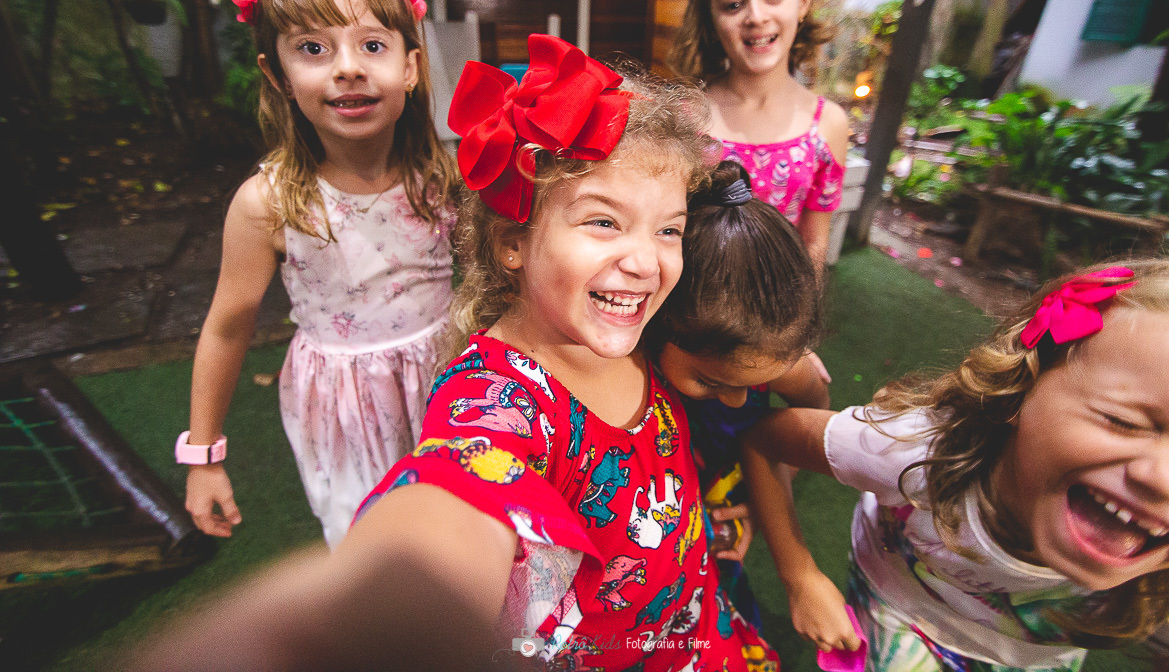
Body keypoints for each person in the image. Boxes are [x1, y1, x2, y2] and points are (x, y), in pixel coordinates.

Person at [130, 35, 777, 672]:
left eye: (668, 229)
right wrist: (394, 598)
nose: (644, 261)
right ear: (512, 243)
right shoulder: (499, 397)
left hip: (701, 632)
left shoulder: (648, 334)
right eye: (603, 221)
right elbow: (459, 487)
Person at [748, 258, 1169, 670]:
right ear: (1023, 385)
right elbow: (763, 438)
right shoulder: (913, 452)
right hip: (900, 607)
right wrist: (800, 575)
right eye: (1124, 421)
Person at [180, 0, 457, 547]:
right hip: (344, 412)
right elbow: (226, 326)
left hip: (449, 388)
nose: (348, 70)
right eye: (313, 48)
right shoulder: (268, 203)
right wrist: (203, 455)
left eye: (372, 46)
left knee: (461, 536)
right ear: (275, 73)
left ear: (411, 66)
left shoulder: (442, 179)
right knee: (373, 552)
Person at [645, 160, 860, 655]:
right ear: (657, 319)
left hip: (724, 493)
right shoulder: (632, 367)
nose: (741, 400)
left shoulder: (788, 367)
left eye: (758, 382)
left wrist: (760, 514)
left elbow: (791, 429)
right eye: (711, 380)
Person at [669, 0, 850, 274]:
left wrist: (800, 325)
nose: (755, 16)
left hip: (777, 316)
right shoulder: (686, 115)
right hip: (687, 312)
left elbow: (814, 243)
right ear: (711, 19)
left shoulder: (828, 124)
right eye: (733, 4)